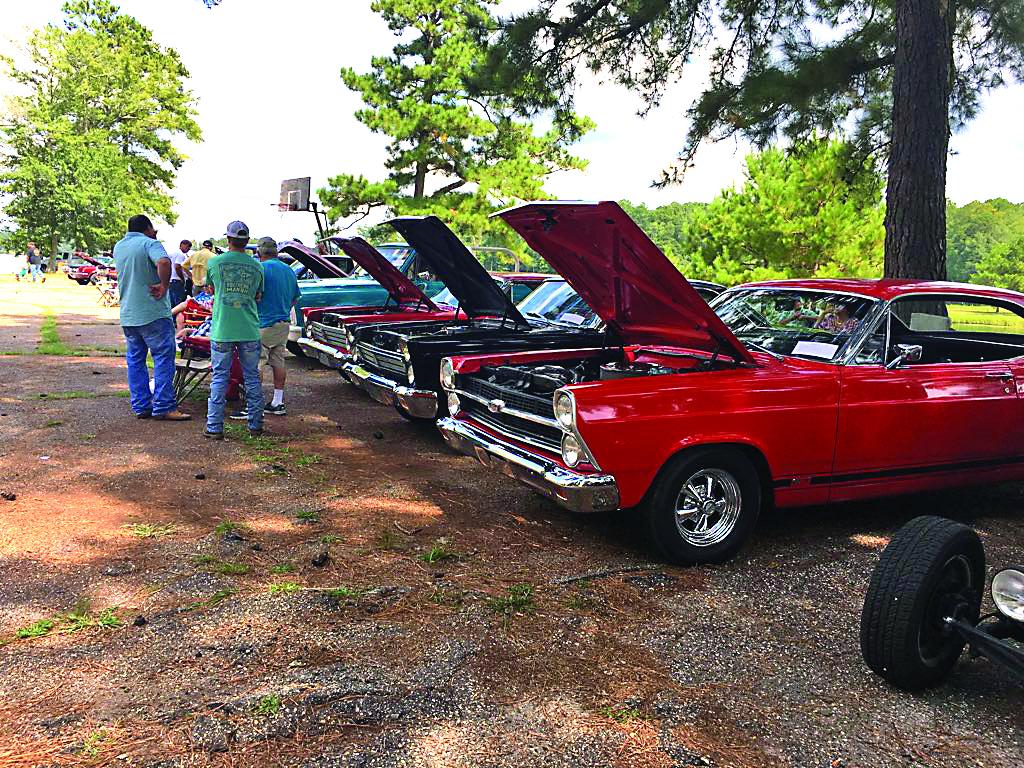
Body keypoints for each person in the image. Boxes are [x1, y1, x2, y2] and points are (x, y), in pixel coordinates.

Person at [112, 215, 191, 421]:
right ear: (147, 228)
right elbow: (164, 261)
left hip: (129, 314)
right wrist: (164, 286)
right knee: (163, 358)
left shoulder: (119, 246)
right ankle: (164, 406)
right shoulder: (150, 243)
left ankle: (141, 406)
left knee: (135, 360)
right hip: (153, 313)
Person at [205, 220, 265, 439]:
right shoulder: (257, 266)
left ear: (228, 239)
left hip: (223, 329)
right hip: (249, 329)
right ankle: (256, 424)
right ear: (247, 241)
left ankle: (214, 427)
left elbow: (211, 289)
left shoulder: (214, 263)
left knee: (219, 377)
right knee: (251, 377)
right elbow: (258, 295)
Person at [240, 237, 300, 417]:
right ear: (276, 252)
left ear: (259, 252)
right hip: (283, 323)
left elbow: (251, 296)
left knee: (256, 363)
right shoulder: (289, 270)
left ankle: (252, 406)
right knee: (278, 361)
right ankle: (277, 402)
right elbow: (295, 298)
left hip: (262, 323)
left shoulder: (260, 268)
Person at [169, 239, 190, 306]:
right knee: (179, 303)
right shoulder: (181, 255)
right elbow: (177, 266)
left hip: (170, 280)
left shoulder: (172, 254)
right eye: (188, 247)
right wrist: (182, 278)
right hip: (177, 280)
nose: (188, 249)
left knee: (172, 302)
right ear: (182, 245)